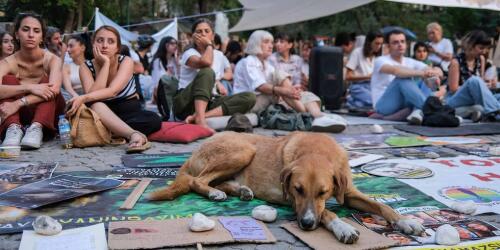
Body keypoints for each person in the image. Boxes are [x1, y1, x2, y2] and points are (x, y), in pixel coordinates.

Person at [66, 25, 161, 153]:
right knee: (96, 104)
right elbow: (93, 96)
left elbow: (113, 91)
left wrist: (82, 97)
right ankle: (131, 134)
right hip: (102, 114)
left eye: (111, 41)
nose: (105, 45)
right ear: (93, 43)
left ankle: (113, 132)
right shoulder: (86, 66)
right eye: (100, 40)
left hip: (130, 114)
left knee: (154, 119)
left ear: (117, 47)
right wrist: (105, 65)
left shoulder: (126, 61)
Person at [233, 30, 347, 132]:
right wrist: (286, 91)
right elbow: (261, 87)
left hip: (266, 99)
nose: (271, 46)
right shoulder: (248, 62)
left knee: (300, 92)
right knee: (281, 81)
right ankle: (312, 116)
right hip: (250, 103)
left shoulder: (266, 64)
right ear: (256, 44)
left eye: (271, 43)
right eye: (266, 42)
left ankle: (318, 116)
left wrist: (291, 91)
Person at [173, 18, 256, 132]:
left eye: (207, 31)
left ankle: (200, 116)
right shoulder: (189, 53)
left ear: (213, 35)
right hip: (186, 103)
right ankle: (201, 121)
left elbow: (226, 74)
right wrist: (209, 45)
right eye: (199, 31)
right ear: (193, 37)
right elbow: (206, 63)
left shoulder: (219, 55)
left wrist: (217, 81)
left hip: (210, 101)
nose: (203, 34)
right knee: (207, 71)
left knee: (249, 97)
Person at [0, 12, 65, 149]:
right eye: (25, 29)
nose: (31, 35)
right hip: (18, 116)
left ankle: (37, 128)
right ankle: (13, 129)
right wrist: (29, 87)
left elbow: (54, 89)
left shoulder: (53, 59)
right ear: (17, 35)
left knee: (48, 83)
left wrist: (18, 103)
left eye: (36, 31)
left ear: (41, 37)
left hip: (48, 115)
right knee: (8, 79)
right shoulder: (7, 62)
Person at [371, 29, 444, 125]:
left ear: (406, 44)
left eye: (402, 41)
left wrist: (434, 74)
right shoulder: (380, 60)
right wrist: (423, 74)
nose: (400, 44)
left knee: (429, 78)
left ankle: (417, 111)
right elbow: (397, 71)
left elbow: (437, 72)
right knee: (402, 78)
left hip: (405, 103)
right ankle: (433, 110)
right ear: (388, 46)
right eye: (395, 42)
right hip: (384, 105)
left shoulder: (410, 61)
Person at [446, 30, 500, 121]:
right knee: (474, 80)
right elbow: (453, 89)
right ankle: (495, 112)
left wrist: (489, 85)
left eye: (486, 48)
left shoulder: (481, 59)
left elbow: (481, 83)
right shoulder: (456, 62)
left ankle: (492, 111)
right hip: (455, 99)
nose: (484, 51)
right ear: (470, 45)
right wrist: (476, 85)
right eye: (481, 48)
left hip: (473, 100)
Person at [345, 31, 384, 109]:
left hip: (372, 86)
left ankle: (352, 102)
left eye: (381, 44)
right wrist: (367, 76)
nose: (379, 46)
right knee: (377, 102)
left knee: (381, 102)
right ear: (369, 42)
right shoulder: (357, 53)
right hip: (358, 87)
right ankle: (352, 100)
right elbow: (348, 76)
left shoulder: (377, 57)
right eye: (376, 43)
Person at [61, 33, 91, 101]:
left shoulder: (91, 64)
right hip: (74, 97)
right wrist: (79, 99)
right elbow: (68, 89)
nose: (67, 50)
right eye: (67, 46)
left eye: (71, 46)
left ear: (83, 48)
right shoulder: (65, 67)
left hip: (91, 96)